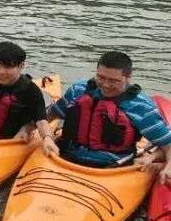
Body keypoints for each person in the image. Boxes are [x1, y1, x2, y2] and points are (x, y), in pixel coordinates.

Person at [43, 51, 171, 169]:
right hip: (65, 158)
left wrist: (158, 161)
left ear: (128, 77)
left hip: (113, 167)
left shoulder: (141, 106)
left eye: (113, 81)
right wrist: (42, 133)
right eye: (101, 77)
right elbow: (50, 115)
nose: (105, 84)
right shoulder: (78, 90)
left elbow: (168, 144)